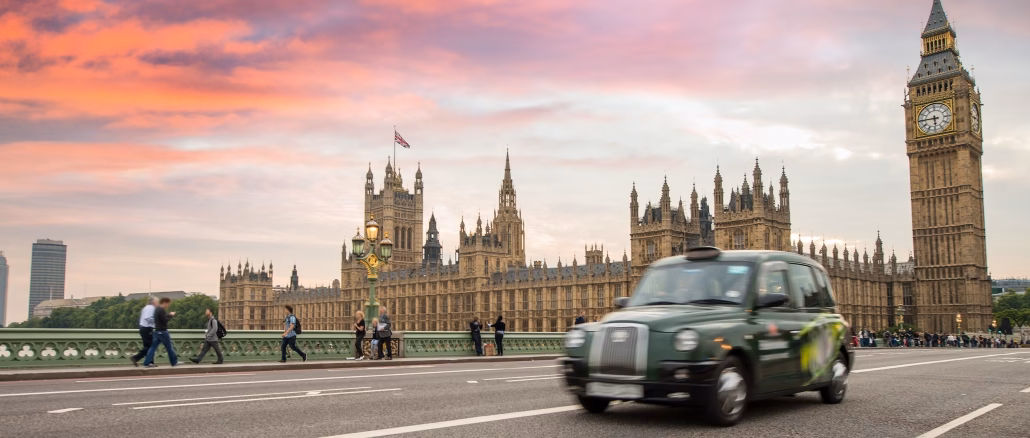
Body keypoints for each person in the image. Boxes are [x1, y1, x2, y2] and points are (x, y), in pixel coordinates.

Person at [143, 298, 178, 368]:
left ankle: (147, 362)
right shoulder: (161, 310)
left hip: (156, 331)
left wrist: (168, 315)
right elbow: (165, 320)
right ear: (164, 302)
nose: (168, 305)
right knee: (169, 347)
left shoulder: (157, 309)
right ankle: (174, 362)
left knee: (152, 347)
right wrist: (171, 315)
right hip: (163, 331)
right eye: (168, 304)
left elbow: (162, 318)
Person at [131, 297, 158, 367]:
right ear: (153, 302)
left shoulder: (146, 307)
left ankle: (149, 362)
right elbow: (148, 318)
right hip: (147, 328)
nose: (157, 303)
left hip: (143, 328)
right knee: (151, 346)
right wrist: (156, 321)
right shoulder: (151, 308)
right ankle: (136, 358)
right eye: (156, 302)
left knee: (148, 346)